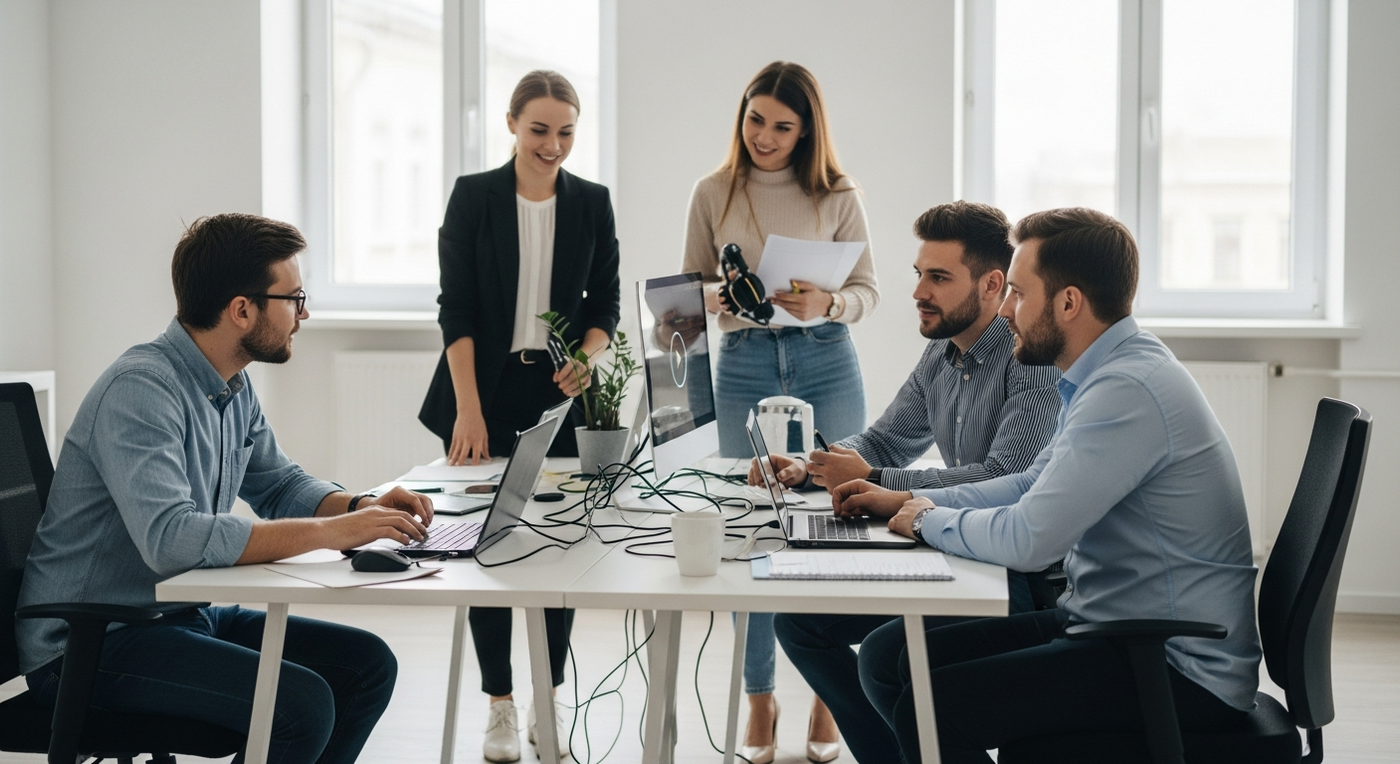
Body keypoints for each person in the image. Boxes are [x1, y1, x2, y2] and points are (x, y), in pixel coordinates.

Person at [830, 208, 1262, 763]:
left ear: (1068, 303)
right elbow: (1030, 482)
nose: (1006, 310)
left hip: (1172, 664)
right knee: (889, 656)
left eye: (1016, 293)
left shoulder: (1126, 390)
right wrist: (915, 500)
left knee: (928, 706)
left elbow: (1031, 540)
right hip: (1113, 629)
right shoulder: (1106, 372)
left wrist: (923, 519)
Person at [16, 213, 434, 763]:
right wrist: (334, 531)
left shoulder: (231, 384)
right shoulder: (140, 388)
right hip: (93, 642)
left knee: (367, 665)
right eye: (295, 297)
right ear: (242, 310)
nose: (304, 313)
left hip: (179, 616)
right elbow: (173, 540)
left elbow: (279, 483)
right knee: (299, 706)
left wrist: (362, 507)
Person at [763, 201, 1061, 762]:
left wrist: (873, 480)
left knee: (885, 654)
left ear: (993, 285)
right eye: (919, 275)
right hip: (950, 544)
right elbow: (883, 439)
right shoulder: (943, 352)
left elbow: (1004, 478)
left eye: (939, 278)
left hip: (1011, 573)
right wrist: (813, 465)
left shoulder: (1030, 359)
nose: (920, 291)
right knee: (798, 620)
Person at [680, 60, 880, 763]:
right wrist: (719, 298)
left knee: (838, 517)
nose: (764, 135)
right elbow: (684, 300)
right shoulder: (715, 191)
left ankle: (828, 699)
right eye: (755, 118)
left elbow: (867, 291)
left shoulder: (838, 192)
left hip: (827, 355)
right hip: (746, 360)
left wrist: (831, 303)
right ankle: (759, 700)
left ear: (807, 130)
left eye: (782, 126)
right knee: (756, 530)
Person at [417, 69, 620, 762]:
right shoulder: (475, 197)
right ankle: (500, 705)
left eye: (565, 132)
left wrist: (587, 359)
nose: (553, 144)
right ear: (510, 124)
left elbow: (606, 307)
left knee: (557, 542)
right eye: (539, 130)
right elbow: (458, 310)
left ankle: (547, 697)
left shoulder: (591, 202)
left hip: (557, 393)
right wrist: (466, 413)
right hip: (483, 391)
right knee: (485, 544)